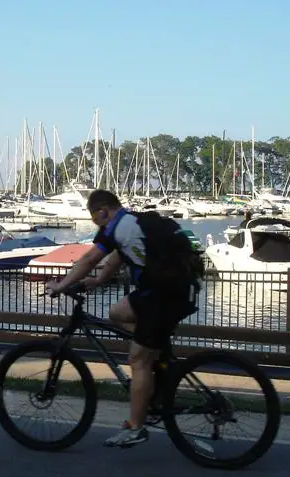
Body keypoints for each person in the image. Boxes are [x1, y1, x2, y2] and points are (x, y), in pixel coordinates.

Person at [46, 189, 189, 448]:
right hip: (166, 292)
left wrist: (62, 284)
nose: (96, 224)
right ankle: (156, 361)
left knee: (137, 359)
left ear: (102, 210)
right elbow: (116, 257)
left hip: (161, 297)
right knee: (117, 313)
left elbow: (90, 258)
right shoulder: (131, 222)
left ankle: (135, 427)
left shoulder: (115, 227)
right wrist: (99, 280)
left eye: (94, 218)